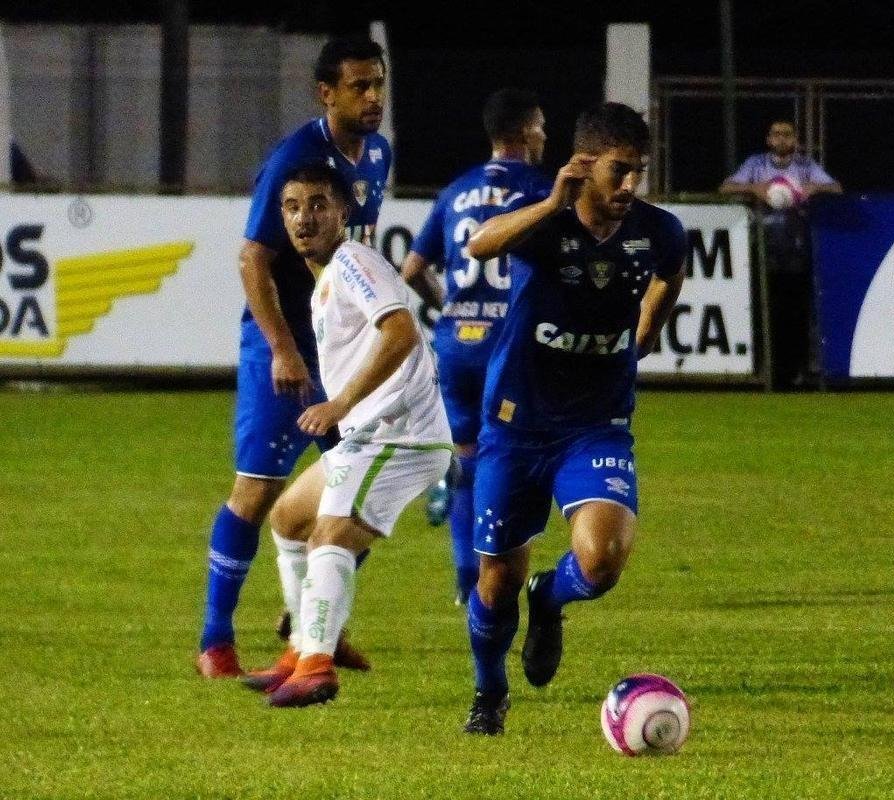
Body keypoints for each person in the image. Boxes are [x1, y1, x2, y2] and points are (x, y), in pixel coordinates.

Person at [458, 102, 686, 735]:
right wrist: (551, 204)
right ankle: (489, 689)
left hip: (597, 423)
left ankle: (549, 599)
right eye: (618, 171)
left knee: (603, 560)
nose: (630, 186)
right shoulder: (545, 225)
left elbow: (670, 275)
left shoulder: (659, 231)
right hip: (515, 424)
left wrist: (648, 329)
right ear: (585, 165)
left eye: (639, 171)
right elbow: (480, 244)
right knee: (497, 578)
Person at [196, 35, 391, 678]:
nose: (373, 97)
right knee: (256, 492)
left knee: (359, 488)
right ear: (326, 93)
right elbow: (254, 257)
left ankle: (317, 628)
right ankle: (215, 641)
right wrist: (282, 349)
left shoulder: (379, 154)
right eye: (359, 86)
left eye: (379, 84)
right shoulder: (295, 159)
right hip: (282, 347)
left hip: (338, 347)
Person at [241, 162, 452, 707]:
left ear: (342, 212)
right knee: (289, 518)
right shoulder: (326, 281)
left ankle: (316, 666)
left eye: (317, 205)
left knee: (330, 535)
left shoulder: (353, 261)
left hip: (400, 437)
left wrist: (340, 403)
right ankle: (302, 649)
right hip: (370, 432)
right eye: (291, 207)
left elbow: (401, 331)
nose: (303, 218)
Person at [401, 88, 552, 607]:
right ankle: (502, 577)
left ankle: (468, 583)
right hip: (510, 345)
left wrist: (449, 305)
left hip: (458, 344)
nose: (546, 137)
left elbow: (412, 270)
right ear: (527, 131)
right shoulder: (540, 189)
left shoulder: (455, 191)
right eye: (542, 127)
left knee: (466, 460)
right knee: (516, 459)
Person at [718, 119, 841, 390]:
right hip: (762, 253)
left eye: (787, 134)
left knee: (796, 315)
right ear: (768, 139)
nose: (782, 139)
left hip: (797, 251)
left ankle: (797, 373)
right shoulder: (756, 165)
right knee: (765, 314)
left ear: (795, 140)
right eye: (776, 134)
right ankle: (768, 372)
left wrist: (813, 188)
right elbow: (726, 188)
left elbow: (835, 188)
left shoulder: (806, 166)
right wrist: (754, 189)